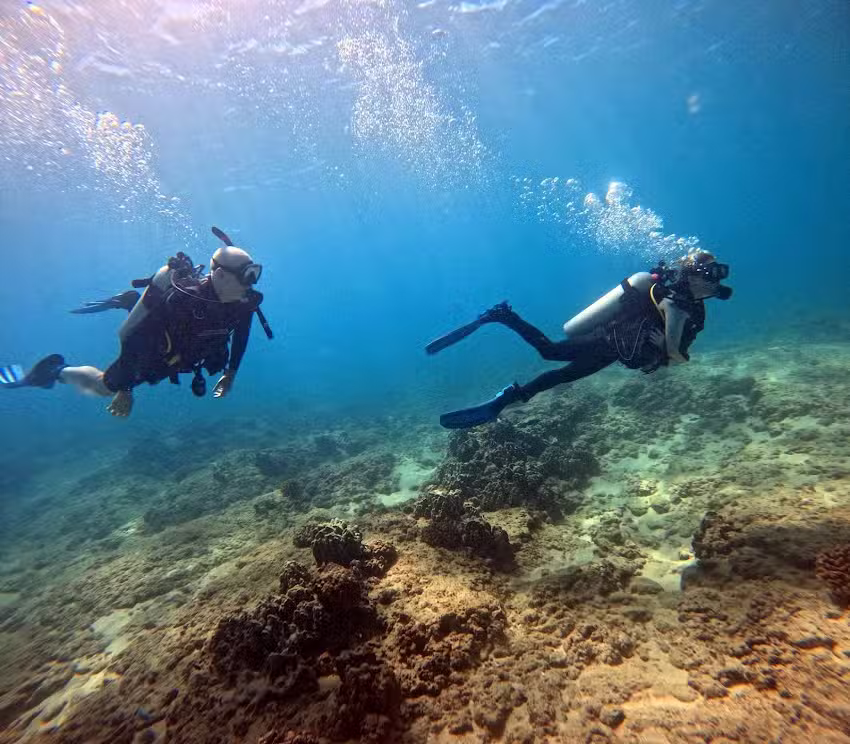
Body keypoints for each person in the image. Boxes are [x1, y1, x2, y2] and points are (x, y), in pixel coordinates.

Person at [426, 250, 732, 429]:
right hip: (607, 342)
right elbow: (676, 353)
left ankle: (507, 397)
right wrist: (669, 349)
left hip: (610, 348)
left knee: (558, 374)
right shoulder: (677, 304)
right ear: (693, 276)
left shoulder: (681, 300)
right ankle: (503, 316)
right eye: (710, 277)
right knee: (550, 353)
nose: (714, 284)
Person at [0, 227, 272, 417]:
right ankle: (55, 369)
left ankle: (131, 301)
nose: (252, 284)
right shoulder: (182, 302)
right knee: (103, 387)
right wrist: (126, 387)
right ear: (221, 276)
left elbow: (242, 334)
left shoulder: (241, 301)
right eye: (247, 276)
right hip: (148, 353)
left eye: (254, 274)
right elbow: (131, 339)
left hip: (180, 356)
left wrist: (231, 373)